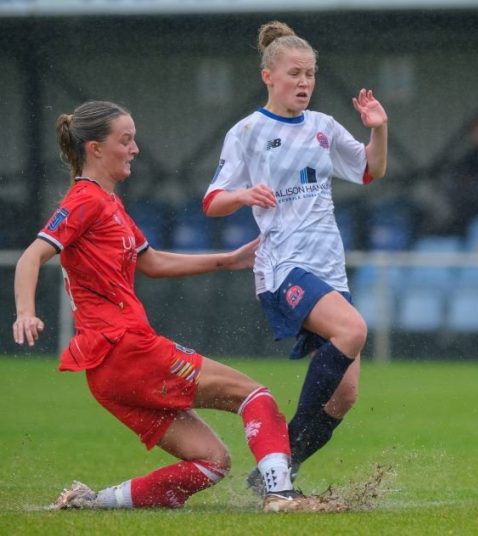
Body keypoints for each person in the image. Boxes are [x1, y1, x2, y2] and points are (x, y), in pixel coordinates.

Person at [12, 101, 323, 513]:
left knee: (212, 462)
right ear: (95, 149)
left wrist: (226, 260)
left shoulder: (110, 204)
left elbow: (152, 262)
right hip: (125, 348)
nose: (136, 148)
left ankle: (92, 502)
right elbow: (31, 256)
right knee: (254, 396)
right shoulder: (84, 200)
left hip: (108, 372)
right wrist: (25, 312)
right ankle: (281, 495)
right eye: (126, 140)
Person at [201, 21, 388, 493]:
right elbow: (212, 201)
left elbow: (370, 170)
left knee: (344, 396)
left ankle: (275, 473)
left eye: (310, 74)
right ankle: (279, 470)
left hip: (328, 266)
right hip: (284, 265)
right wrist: (245, 194)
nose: (304, 83)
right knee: (354, 329)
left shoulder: (323, 127)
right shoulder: (247, 132)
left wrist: (379, 130)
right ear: (268, 76)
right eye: (294, 73)